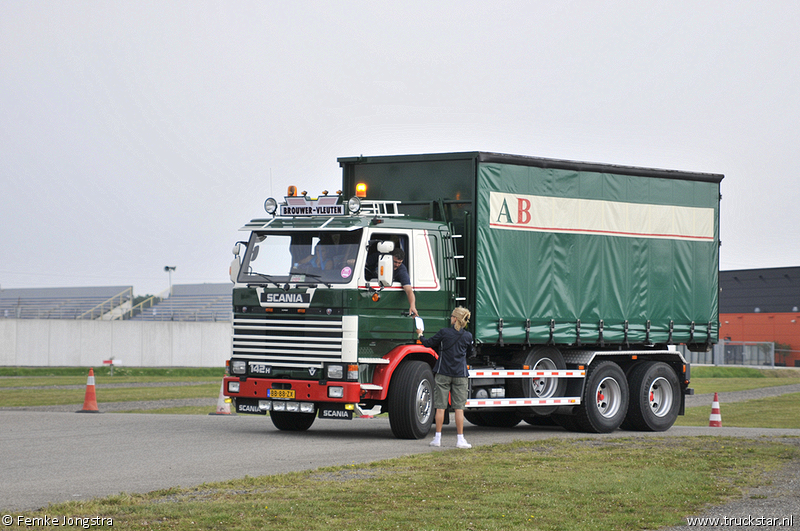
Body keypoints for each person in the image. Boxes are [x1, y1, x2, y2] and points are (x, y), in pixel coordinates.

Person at [416, 306, 473, 449]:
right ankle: (460, 440)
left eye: (452, 316)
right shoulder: (468, 336)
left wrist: (420, 335)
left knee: (440, 408)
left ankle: (437, 438)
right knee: (459, 408)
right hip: (460, 374)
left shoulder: (444, 333)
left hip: (443, 373)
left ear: (455, 318)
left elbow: (428, 343)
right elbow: (470, 354)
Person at [392, 248, 417, 317]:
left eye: (399, 263)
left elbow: (409, 290)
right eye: (395, 262)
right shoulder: (377, 257)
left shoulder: (401, 270)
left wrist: (412, 306)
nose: (397, 265)